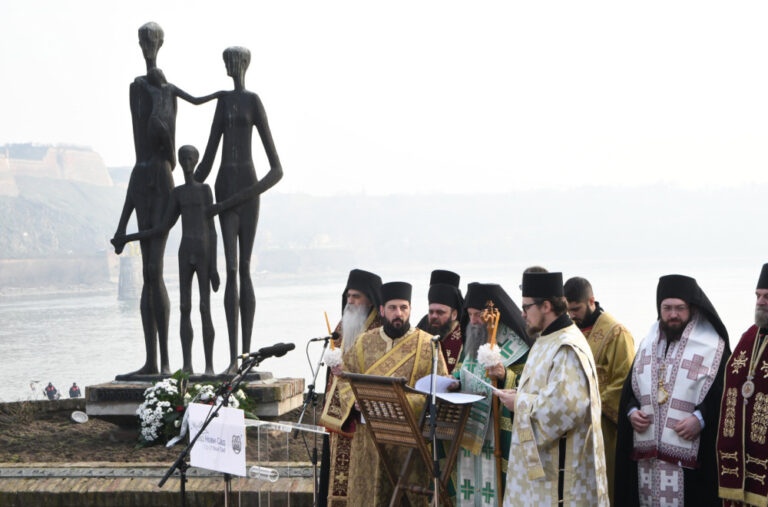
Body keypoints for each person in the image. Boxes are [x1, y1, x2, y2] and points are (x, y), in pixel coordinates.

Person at [113, 22, 220, 377]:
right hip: (142, 174)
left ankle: (164, 362)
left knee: (154, 269)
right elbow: (138, 150)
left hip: (160, 177)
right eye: (143, 40)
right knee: (147, 273)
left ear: (160, 43)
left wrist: (162, 120)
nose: (148, 45)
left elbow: (169, 150)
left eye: (153, 40)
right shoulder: (136, 88)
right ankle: (152, 360)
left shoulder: (168, 90)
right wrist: (122, 228)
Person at [194, 46, 284, 375]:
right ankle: (233, 358)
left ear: (243, 64)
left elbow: (276, 170)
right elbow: (208, 157)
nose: (228, 67)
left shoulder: (252, 102)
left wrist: (245, 194)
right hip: (224, 187)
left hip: (246, 189)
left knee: (244, 267)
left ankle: (246, 357)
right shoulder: (222, 104)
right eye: (225, 62)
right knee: (230, 268)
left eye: (232, 62)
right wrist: (185, 183)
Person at [319, 281, 448, 506]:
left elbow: (439, 389)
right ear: (381, 310)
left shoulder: (428, 344)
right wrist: (355, 401)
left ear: (410, 309)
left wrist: (398, 402)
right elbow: (345, 379)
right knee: (368, 497)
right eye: (392, 308)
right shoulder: (363, 342)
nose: (398, 313)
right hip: (368, 440)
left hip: (408, 440)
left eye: (403, 307)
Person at [615, 274, 729, 506]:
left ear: (691, 308)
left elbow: (724, 393)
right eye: (667, 308)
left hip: (692, 460)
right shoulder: (647, 344)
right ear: (659, 309)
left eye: (680, 308)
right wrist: (632, 412)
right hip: (647, 459)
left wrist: (701, 418)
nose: (673, 314)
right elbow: (631, 391)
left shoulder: (713, 347)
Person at [500, 271, 608, 506]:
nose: (522, 314)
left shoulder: (566, 347)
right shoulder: (546, 339)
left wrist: (519, 402)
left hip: (560, 480)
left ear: (546, 306)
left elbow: (565, 409)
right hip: (542, 473)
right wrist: (519, 395)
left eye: (526, 307)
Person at [112, 145, 220, 375]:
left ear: (196, 161)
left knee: (205, 307)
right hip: (185, 251)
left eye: (190, 159)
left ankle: (209, 366)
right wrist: (128, 237)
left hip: (203, 251)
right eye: (183, 159)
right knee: (184, 307)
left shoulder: (205, 190)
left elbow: (212, 230)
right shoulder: (177, 194)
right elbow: (162, 228)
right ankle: (187, 365)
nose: (187, 163)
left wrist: (214, 267)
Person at [451, 282, 530, 506]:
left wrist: (505, 375)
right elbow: (464, 369)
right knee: (470, 483)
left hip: (499, 429)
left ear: (493, 315)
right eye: (469, 315)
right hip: (471, 425)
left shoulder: (518, 344)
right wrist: (453, 380)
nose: (473, 320)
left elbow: (529, 383)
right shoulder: (474, 337)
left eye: (478, 315)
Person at [564, 276, 635, 504]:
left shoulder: (617, 333)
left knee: (606, 483)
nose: (572, 315)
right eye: (568, 310)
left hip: (605, 427)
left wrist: (590, 404)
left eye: (576, 309)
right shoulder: (570, 332)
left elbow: (625, 382)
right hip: (575, 425)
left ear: (591, 301)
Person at [319, 268, 383, 507]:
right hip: (339, 417)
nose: (351, 301)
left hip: (363, 418)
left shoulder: (379, 330)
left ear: (371, 299)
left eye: (356, 296)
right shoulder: (342, 325)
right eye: (348, 296)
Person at [717, 263, 768, 506]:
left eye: (767, 296)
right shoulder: (749, 336)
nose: (760, 302)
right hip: (744, 460)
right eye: (758, 296)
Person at [419, 282, 465, 374]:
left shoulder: (465, 338)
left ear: (454, 314)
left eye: (440, 312)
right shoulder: (420, 335)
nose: (434, 316)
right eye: (431, 312)